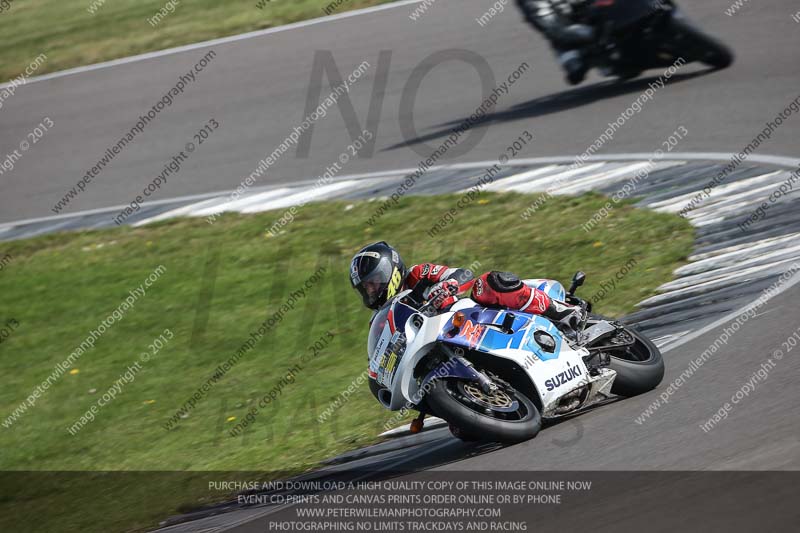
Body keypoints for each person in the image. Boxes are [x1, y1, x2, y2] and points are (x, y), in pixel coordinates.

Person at [349, 241, 584, 331]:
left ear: (390, 270)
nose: (371, 290)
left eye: (373, 282)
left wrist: (450, 284)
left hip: (473, 316)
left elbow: (464, 274)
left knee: (487, 283)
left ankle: (562, 312)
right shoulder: (382, 319)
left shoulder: (418, 274)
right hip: (447, 339)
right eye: (365, 288)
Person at [516, 0, 597, 85]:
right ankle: (572, 61)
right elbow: (550, 26)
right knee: (559, 36)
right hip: (572, 28)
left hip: (590, 12)